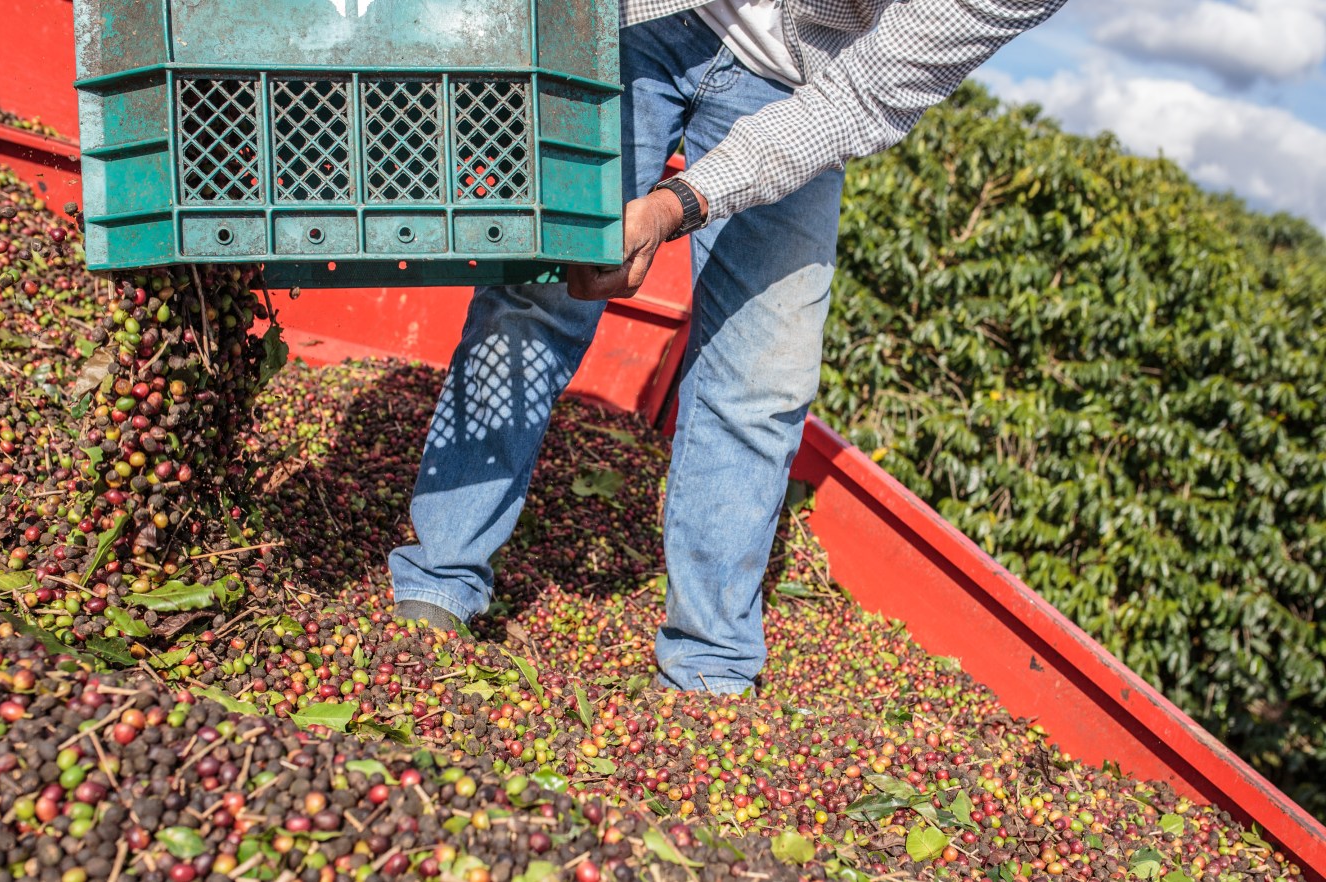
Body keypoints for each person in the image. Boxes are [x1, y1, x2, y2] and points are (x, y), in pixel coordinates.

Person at [389, 0, 1067, 694]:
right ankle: (439, 578)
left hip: (802, 84)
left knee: (761, 379)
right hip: (636, 19)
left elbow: (861, 96)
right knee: (543, 291)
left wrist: (672, 205)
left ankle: (707, 669)